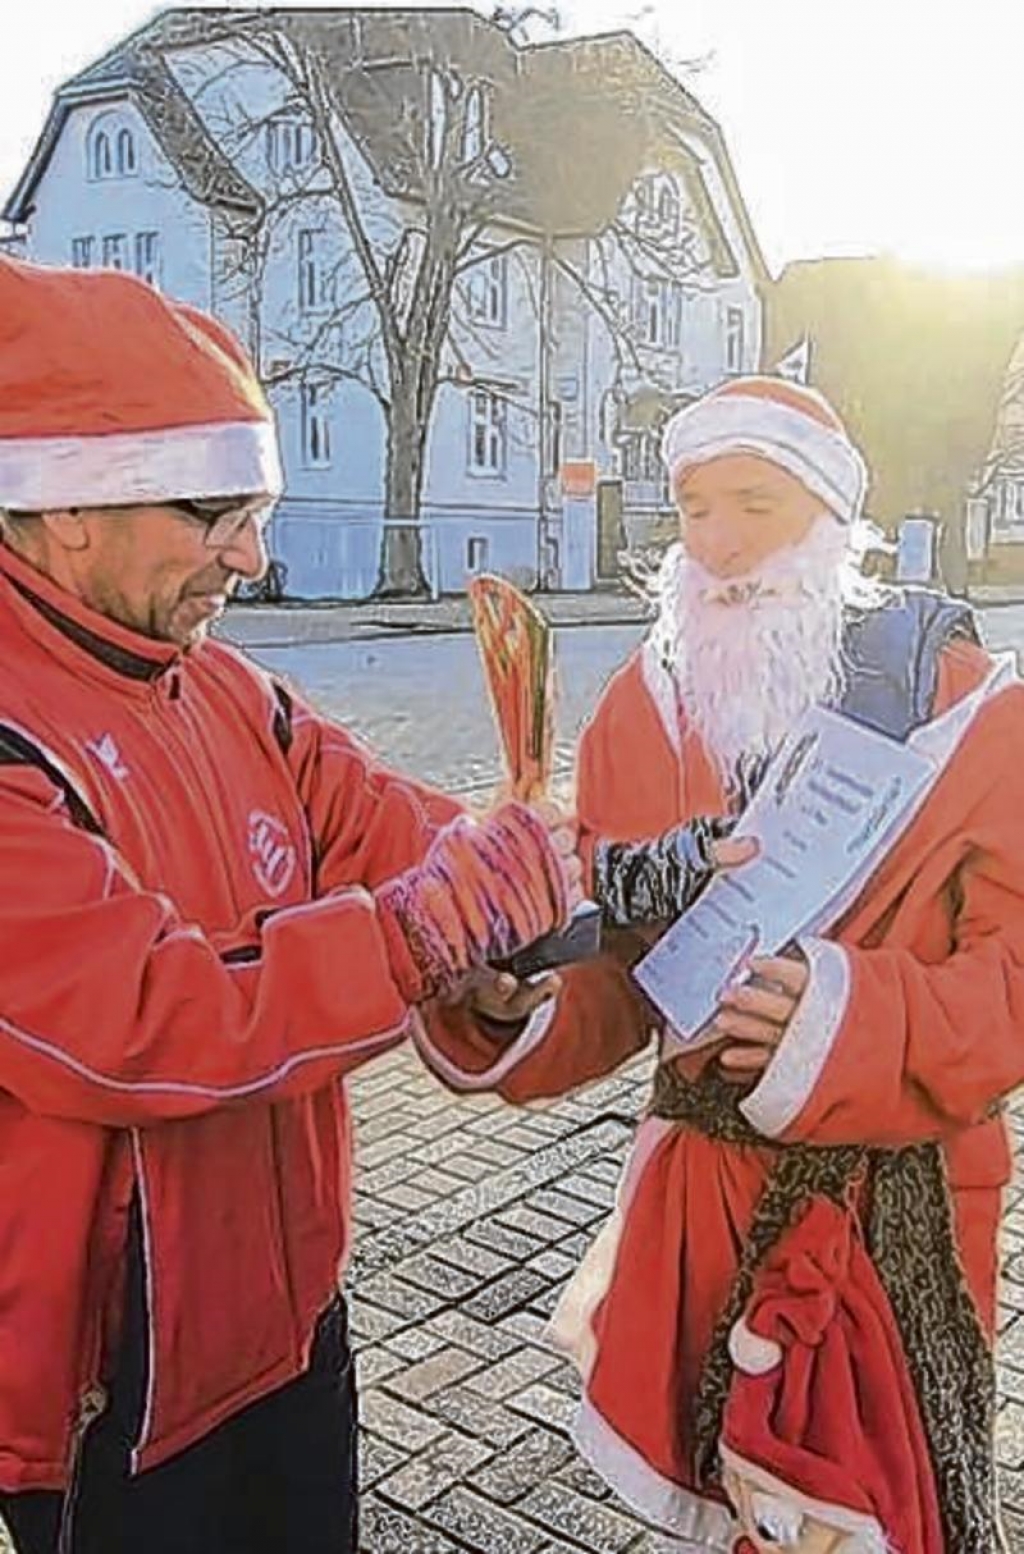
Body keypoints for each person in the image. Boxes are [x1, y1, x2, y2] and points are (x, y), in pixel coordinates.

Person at [0, 254, 580, 1554]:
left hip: (294, 1332)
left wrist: (514, 906)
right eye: (217, 510)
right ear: (70, 502)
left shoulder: (224, 685)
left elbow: (385, 824)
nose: (251, 557)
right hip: (111, 1413)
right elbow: (151, 1020)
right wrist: (427, 932)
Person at [420, 376, 1019, 1551]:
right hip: (698, 1198)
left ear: (834, 517)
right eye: (694, 507)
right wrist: (515, 999)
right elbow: (629, 972)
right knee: (726, 1503)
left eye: (756, 501)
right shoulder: (640, 711)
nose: (720, 541)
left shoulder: (962, 706)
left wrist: (847, 1018)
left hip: (892, 1205)